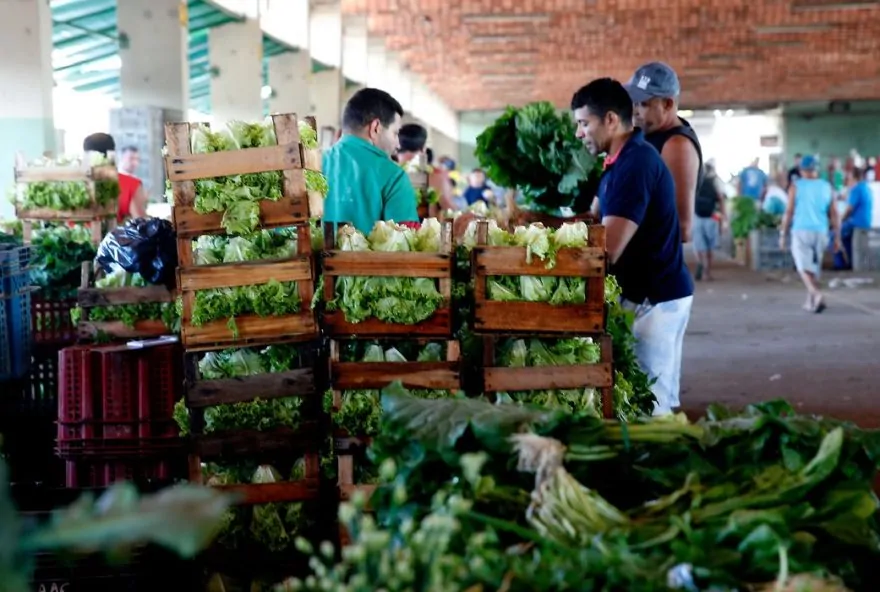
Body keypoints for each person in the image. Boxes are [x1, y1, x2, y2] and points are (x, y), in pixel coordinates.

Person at [571, 78, 693, 416]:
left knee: (652, 405)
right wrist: (533, 221)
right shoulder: (616, 162)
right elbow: (591, 218)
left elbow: (606, 249)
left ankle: (667, 462)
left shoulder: (636, 164)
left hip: (655, 299)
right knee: (650, 396)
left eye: (584, 123)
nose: (579, 133)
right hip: (645, 295)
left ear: (610, 119)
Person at [624, 62, 703, 243]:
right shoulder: (651, 135)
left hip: (654, 265)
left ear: (667, 104)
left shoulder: (677, 145)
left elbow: (682, 227)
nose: (635, 112)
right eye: (634, 103)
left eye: (643, 104)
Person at [322, 88, 417, 234]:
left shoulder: (313, 165)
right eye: (395, 133)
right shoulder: (394, 176)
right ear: (375, 128)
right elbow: (405, 244)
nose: (398, 144)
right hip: (368, 258)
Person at [779, 155, 841, 313]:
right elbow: (835, 214)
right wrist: (837, 237)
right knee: (814, 267)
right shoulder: (827, 186)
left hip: (801, 230)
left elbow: (789, 211)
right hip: (821, 231)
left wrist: (782, 234)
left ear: (801, 170)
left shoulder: (795, 186)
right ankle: (810, 301)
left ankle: (816, 294)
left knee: (802, 267)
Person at [82, 134, 147, 222]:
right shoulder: (132, 184)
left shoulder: (76, 184)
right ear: (112, 152)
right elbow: (141, 223)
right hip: (115, 234)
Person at [396, 123, 455, 211]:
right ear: (423, 149)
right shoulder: (434, 177)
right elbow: (449, 209)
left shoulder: (384, 173)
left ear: (397, 146)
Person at [835, 167, 874, 269]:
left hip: (856, 223)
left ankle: (840, 264)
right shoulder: (866, 187)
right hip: (866, 222)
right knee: (846, 238)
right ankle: (851, 261)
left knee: (834, 234)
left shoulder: (856, 189)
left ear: (854, 177)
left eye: (849, 176)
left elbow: (848, 210)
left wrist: (839, 221)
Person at [693, 163, 725, 281]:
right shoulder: (715, 181)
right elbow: (721, 199)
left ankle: (700, 262)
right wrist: (723, 217)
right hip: (712, 217)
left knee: (699, 245)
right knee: (710, 246)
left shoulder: (695, 180)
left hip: (697, 216)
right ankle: (707, 272)